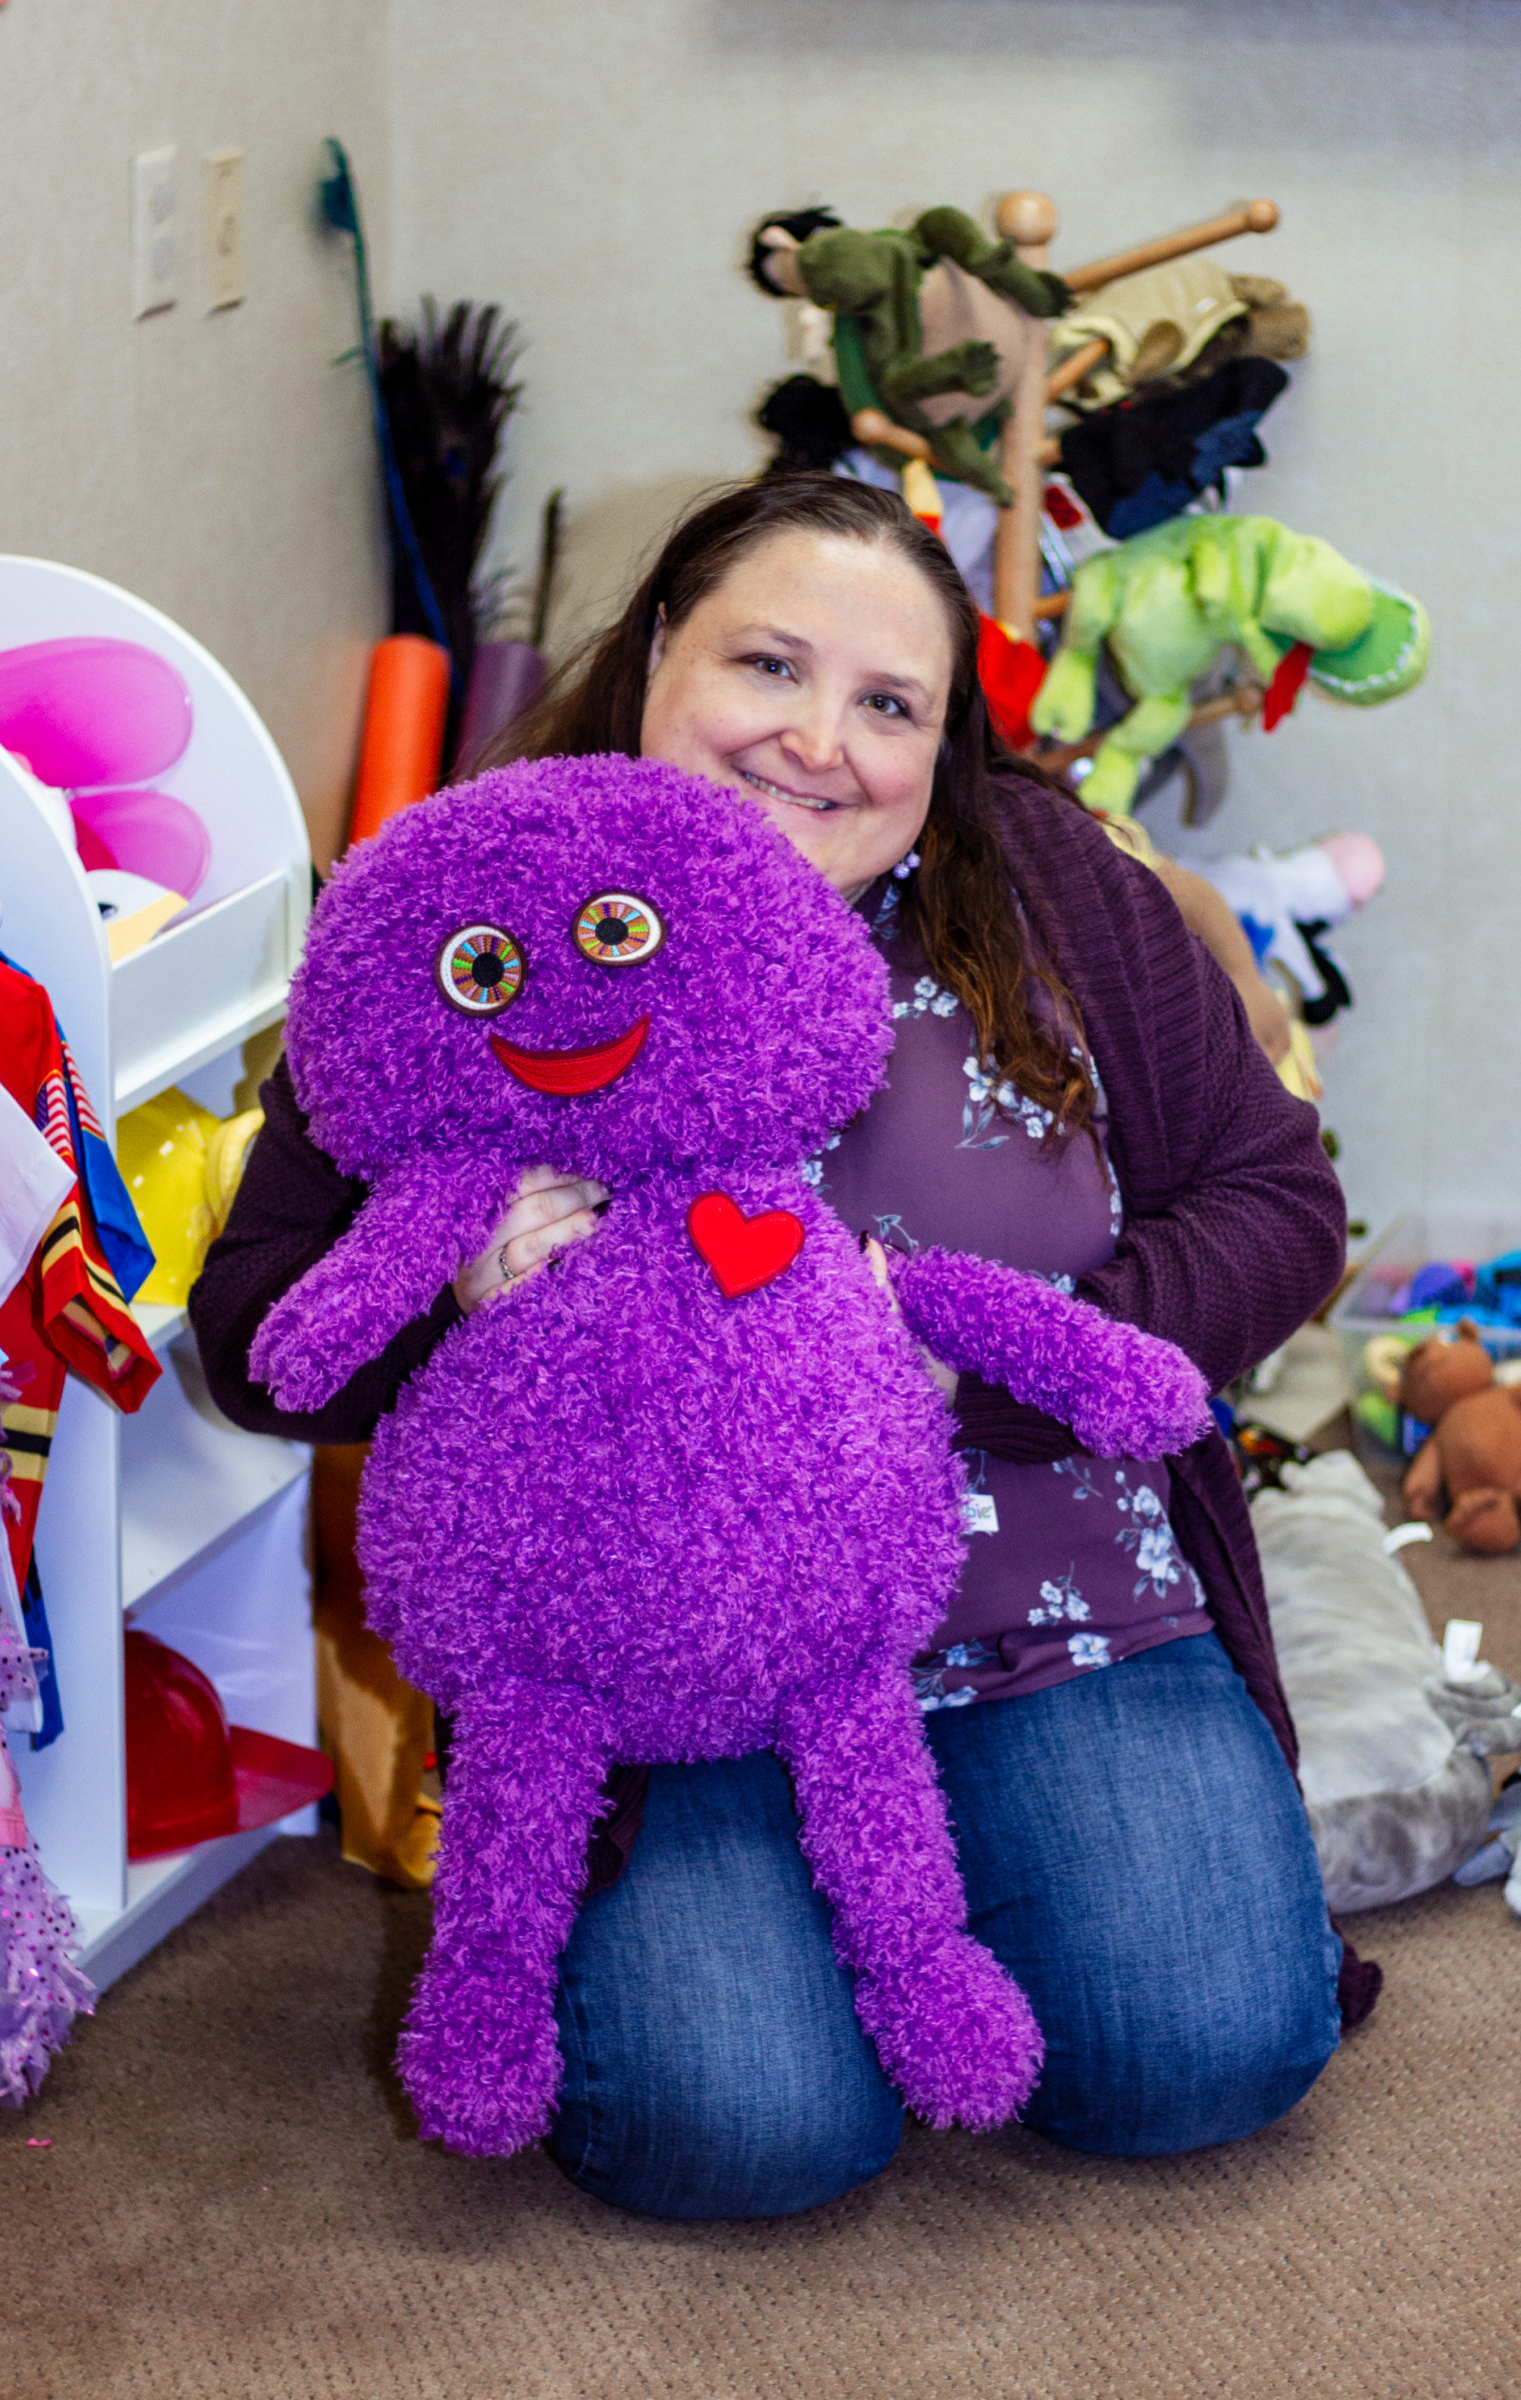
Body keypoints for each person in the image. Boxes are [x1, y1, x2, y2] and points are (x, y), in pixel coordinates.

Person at [193, 474, 1368, 2224]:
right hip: (672, 1677)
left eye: (889, 703)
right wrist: (448, 1301)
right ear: (663, 645)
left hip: (1057, 1609)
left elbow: (1282, 1199)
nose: (821, 743)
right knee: (747, 2129)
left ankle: (981, 1883)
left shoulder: (1050, 885)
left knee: (1196, 2055)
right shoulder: (479, 899)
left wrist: (1015, 1366)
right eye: (769, 665)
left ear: (943, 739)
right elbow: (252, 1327)